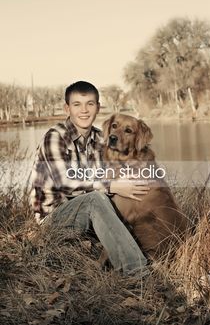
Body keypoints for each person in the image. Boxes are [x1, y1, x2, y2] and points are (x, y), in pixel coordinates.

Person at [29, 80, 150, 276]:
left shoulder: (101, 138)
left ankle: (157, 249)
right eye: (77, 104)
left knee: (127, 195)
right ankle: (137, 271)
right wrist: (113, 186)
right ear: (67, 108)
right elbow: (67, 183)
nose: (84, 111)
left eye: (90, 104)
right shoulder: (55, 137)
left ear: (98, 107)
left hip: (90, 213)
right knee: (96, 199)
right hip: (55, 217)